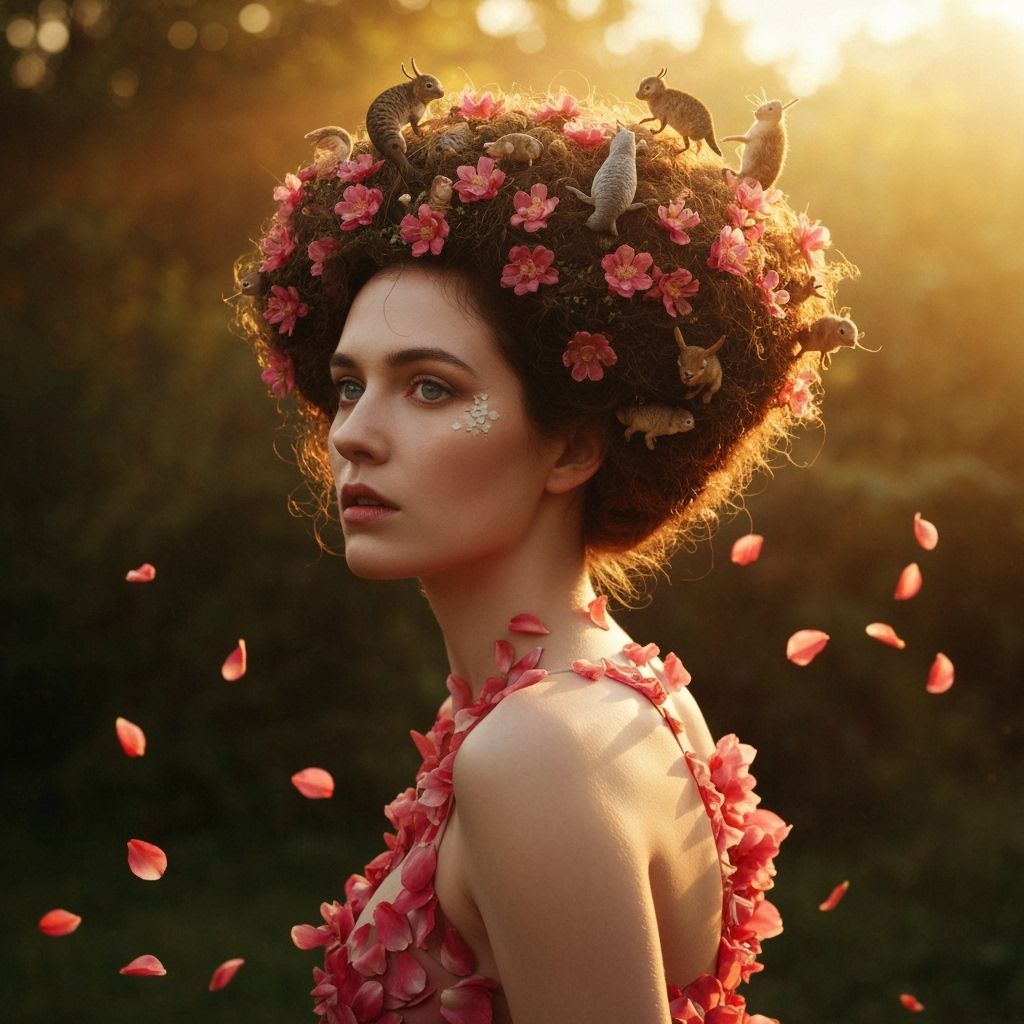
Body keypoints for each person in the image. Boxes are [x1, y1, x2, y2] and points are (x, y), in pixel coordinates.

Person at [235, 74, 854, 1024]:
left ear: (568, 445)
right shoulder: (613, 685)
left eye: (432, 388)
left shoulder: (538, 750)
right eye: (350, 384)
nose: (352, 432)